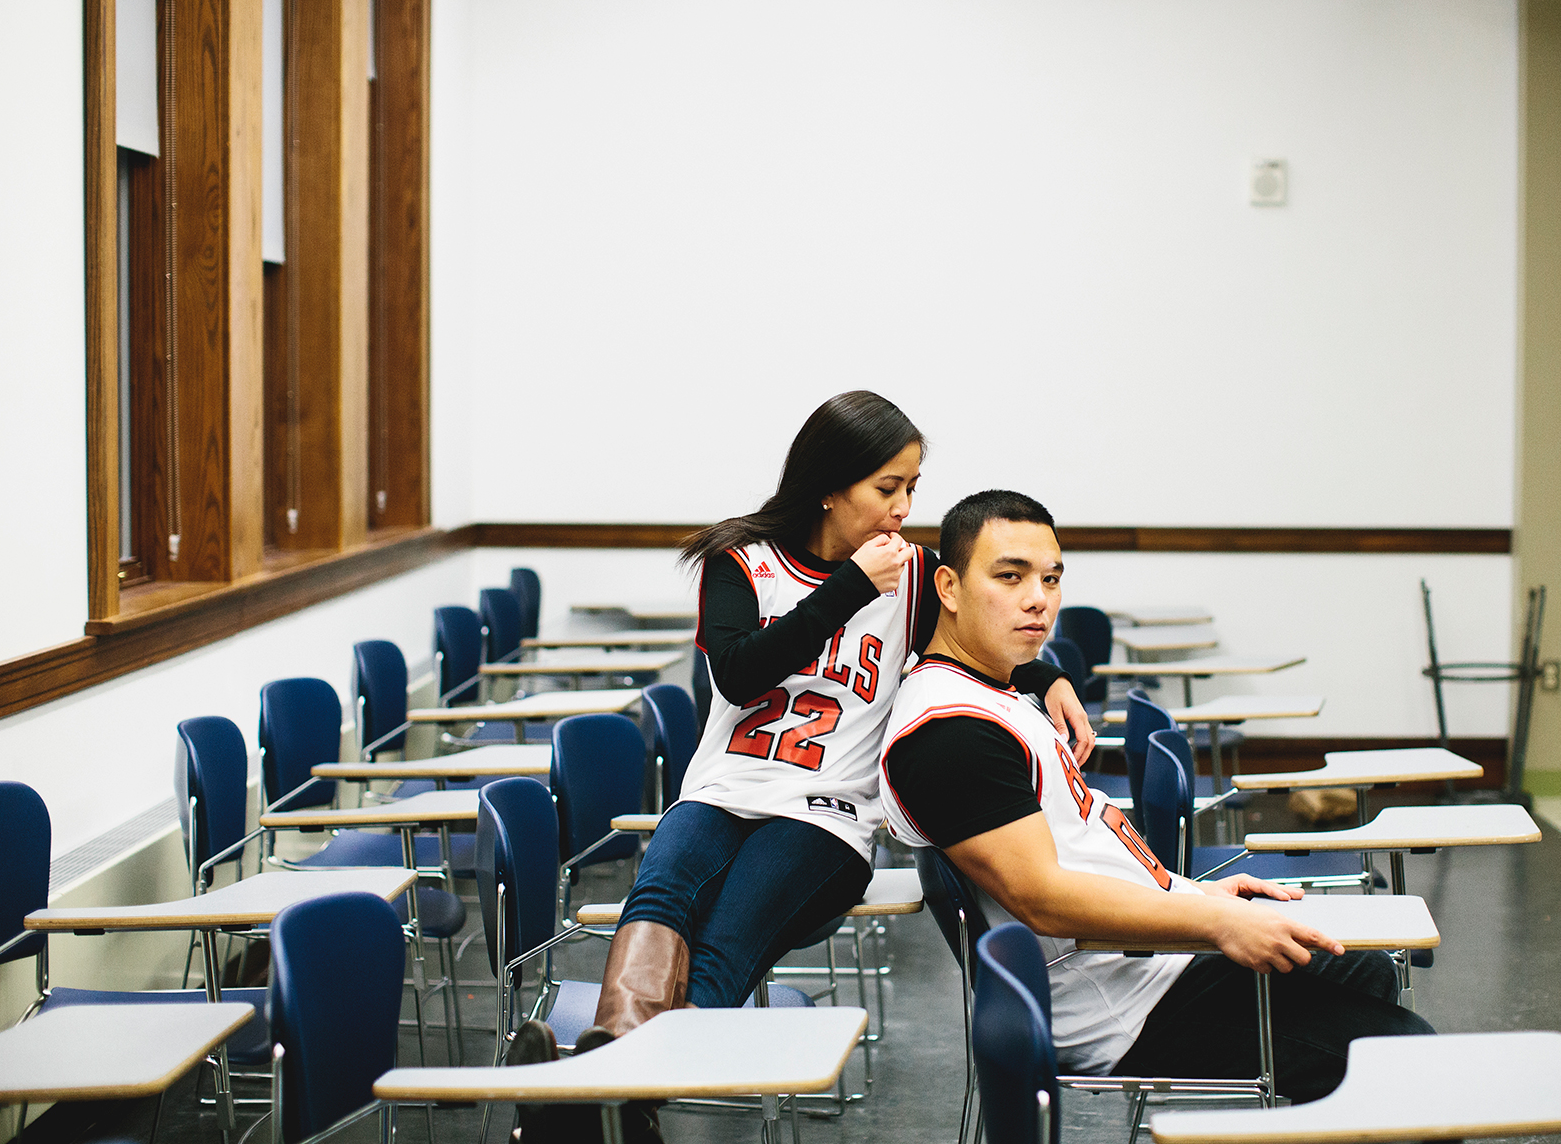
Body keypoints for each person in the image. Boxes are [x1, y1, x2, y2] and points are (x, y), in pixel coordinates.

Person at [507, 395, 1091, 1143]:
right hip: (724, 787)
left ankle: (592, 1086)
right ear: (831, 482)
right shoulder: (741, 559)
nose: (903, 507)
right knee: (660, 891)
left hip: (827, 816)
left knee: (725, 939)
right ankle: (616, 1093)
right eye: (888, 488)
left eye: (913, 487)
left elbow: (985, 636)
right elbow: (740, 676)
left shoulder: (915, 575)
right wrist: (849, 583)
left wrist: (1050, 681)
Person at [880, 489, 1433, 1105]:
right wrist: (1216, 920)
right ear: (949, 588)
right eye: (1009, 577)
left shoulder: (998, 692)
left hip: (1146, 959)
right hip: (1124, 1007)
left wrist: (1193, 892)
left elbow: (1083, 848)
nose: (1038, 598)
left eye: (1051, 578)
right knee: (1405, 1057)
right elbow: (1044, 899)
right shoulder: (951, 734)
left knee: (1368, 971)